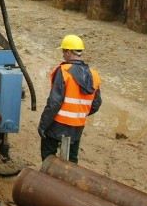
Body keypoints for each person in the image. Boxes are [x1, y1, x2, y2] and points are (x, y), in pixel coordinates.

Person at [38, 34, 102, 164]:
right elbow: (96, 103)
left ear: (68, 51)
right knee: (72, 160)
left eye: (63, 51)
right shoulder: (93, 74)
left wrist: (43, 125)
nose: (62, 55)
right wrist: (79, 113)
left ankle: (49, 180)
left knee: (48, 154)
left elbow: (54, 103)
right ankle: (68, 180)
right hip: (78, 126)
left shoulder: (63, 71)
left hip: (57, 124)